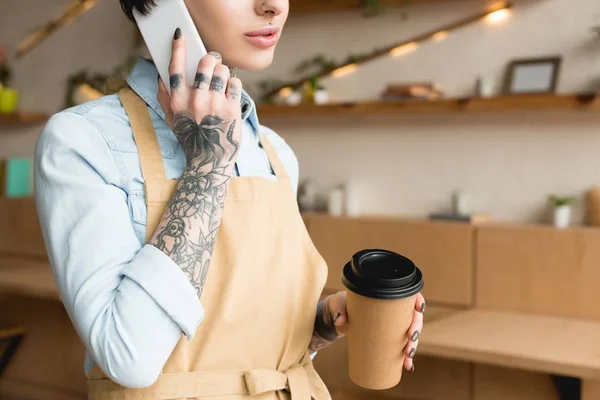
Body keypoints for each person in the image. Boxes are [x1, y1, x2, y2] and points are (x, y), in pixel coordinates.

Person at [34, 0, 425, 398]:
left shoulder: (274, 152)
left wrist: (323, 322)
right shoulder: (84, 142)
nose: (272, 5)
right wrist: (209, 163)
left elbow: (246, 361)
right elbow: (129, 357)